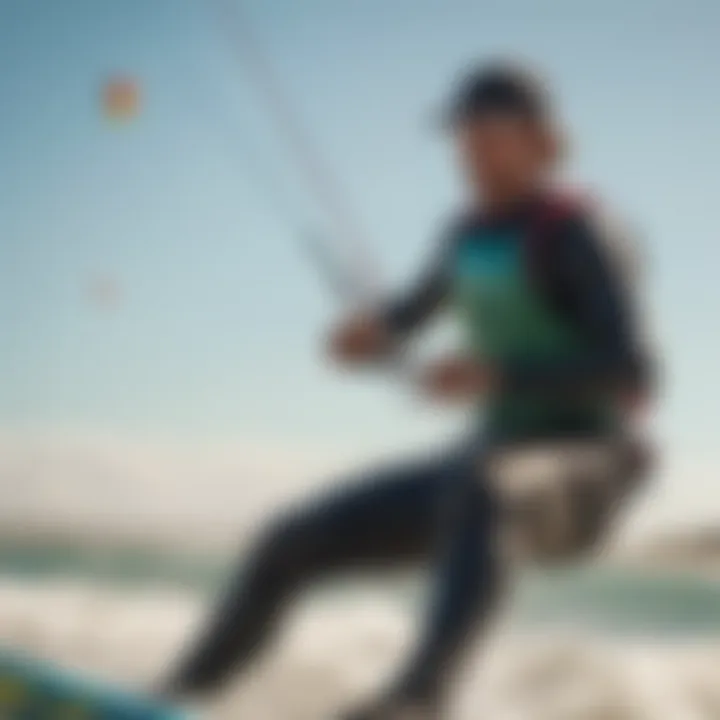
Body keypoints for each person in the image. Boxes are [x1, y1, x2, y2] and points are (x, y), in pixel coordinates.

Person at [161, 61, 656, 719]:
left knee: (485, 480)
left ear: (540, 141)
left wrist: (497, 375)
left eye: (489, 133)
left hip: (588, 468)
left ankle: (417, 702)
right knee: (289, 539)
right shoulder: (464, 235)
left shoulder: (575, 232)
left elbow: (631, 368)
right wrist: (368, 339)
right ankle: (175, 699)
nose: (470, 150)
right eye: (461, 135)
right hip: (491, 465)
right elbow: (404, 318)